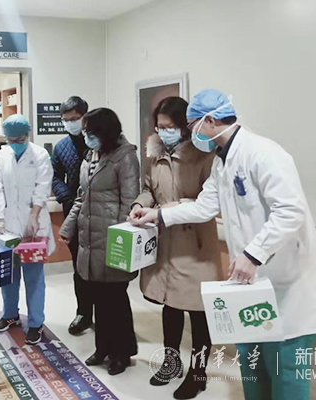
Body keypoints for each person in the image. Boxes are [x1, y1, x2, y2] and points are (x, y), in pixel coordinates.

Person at [131, 89, 316, 400]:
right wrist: (158, 214)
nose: (191, 133)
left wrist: (253, 255)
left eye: (192, 125)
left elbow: (290, 210)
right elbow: (204, 206)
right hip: (254, 287)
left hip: (290, 286)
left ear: (210, 120)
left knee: (285, 372)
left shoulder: (264, 153)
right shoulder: (222, 162)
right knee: (254, 366)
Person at [129, 97, 223, 399]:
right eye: (159, 126)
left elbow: (209, 203)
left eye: (169, 126)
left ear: (184, 126)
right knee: (170, 306)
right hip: (165, 242)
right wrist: (139, 205)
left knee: (198, 311)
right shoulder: (154, 155)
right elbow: (148, 189)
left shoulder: (204, 156)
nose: (163, 132)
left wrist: (167, 209)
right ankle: (171, 364)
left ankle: (198, 373)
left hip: (195, 245)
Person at [59, 108, 140, 375]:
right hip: (89, 239)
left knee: (115, 300)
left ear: (105, 132)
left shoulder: (125, 158)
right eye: (85, 132)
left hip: (113, 239)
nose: (86, 137)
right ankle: (103, 347)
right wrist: (68, 227)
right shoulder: (91, 156)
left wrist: (121, 242)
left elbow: (130, 203)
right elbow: (82, 196)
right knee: (98, 299)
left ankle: (122, 353)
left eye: (90, 132)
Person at [0, 114, 55, 345]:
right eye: (11, 140)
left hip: (33, 225)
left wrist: (34, 214)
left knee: (34, 276)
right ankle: (10, 315)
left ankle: (36, 323)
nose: (16, 144)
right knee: (8, 274)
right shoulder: (3, 155)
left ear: (27, 135)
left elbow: (43, 186)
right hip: (9, 225)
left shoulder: (40, 155)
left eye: (20, 139)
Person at [52, 96, 93, 336]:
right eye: (66, 120)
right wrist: (65, 197)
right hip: (73, 213)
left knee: (99, 268)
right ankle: (83, 313)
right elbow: (54, 176)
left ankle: (103, 313)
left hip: (99, 213)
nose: (71, 123)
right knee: (79, 265)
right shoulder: (61, 147)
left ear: (85, 116)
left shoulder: (98, 142)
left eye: (75, 118)